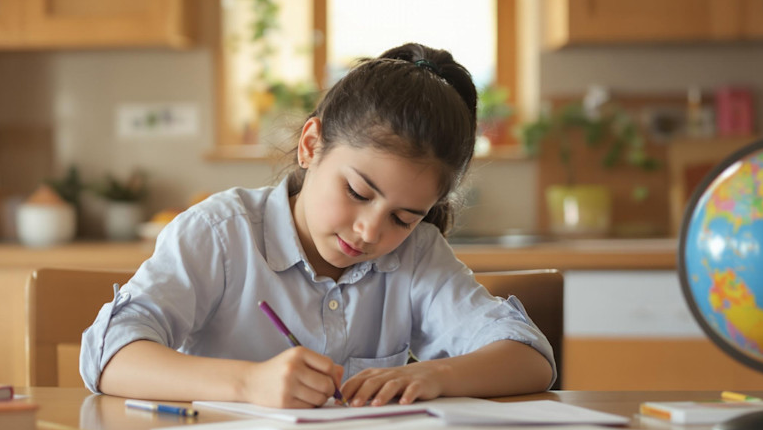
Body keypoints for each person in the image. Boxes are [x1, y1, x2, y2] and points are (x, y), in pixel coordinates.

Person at [80, 43, 555, 408]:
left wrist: (436, 375)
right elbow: (108, 354)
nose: (371, 232)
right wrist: (248, 384)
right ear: (311, 145)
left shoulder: (416, 255)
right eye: (358, 193)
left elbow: (530, 356)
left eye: (403, 217)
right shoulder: (221, 234)